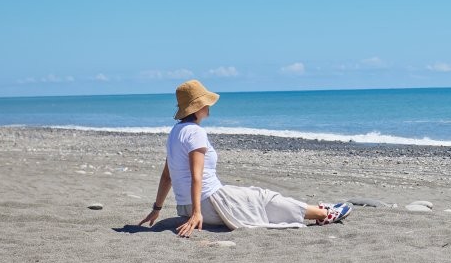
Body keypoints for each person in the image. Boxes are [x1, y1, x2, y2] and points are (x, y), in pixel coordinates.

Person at [137, 80, 350, 237]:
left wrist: (157, 209)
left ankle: (317, 209)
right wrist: (196, 213)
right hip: (208, 202)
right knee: (264, 198)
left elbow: (167, 176)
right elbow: (196, 177)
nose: (209, 107)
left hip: (184, 205)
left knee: (255, 199)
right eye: (206, 103)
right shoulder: (195, 132)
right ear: (199, 106)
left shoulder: (175, 132)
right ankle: (324, 213)